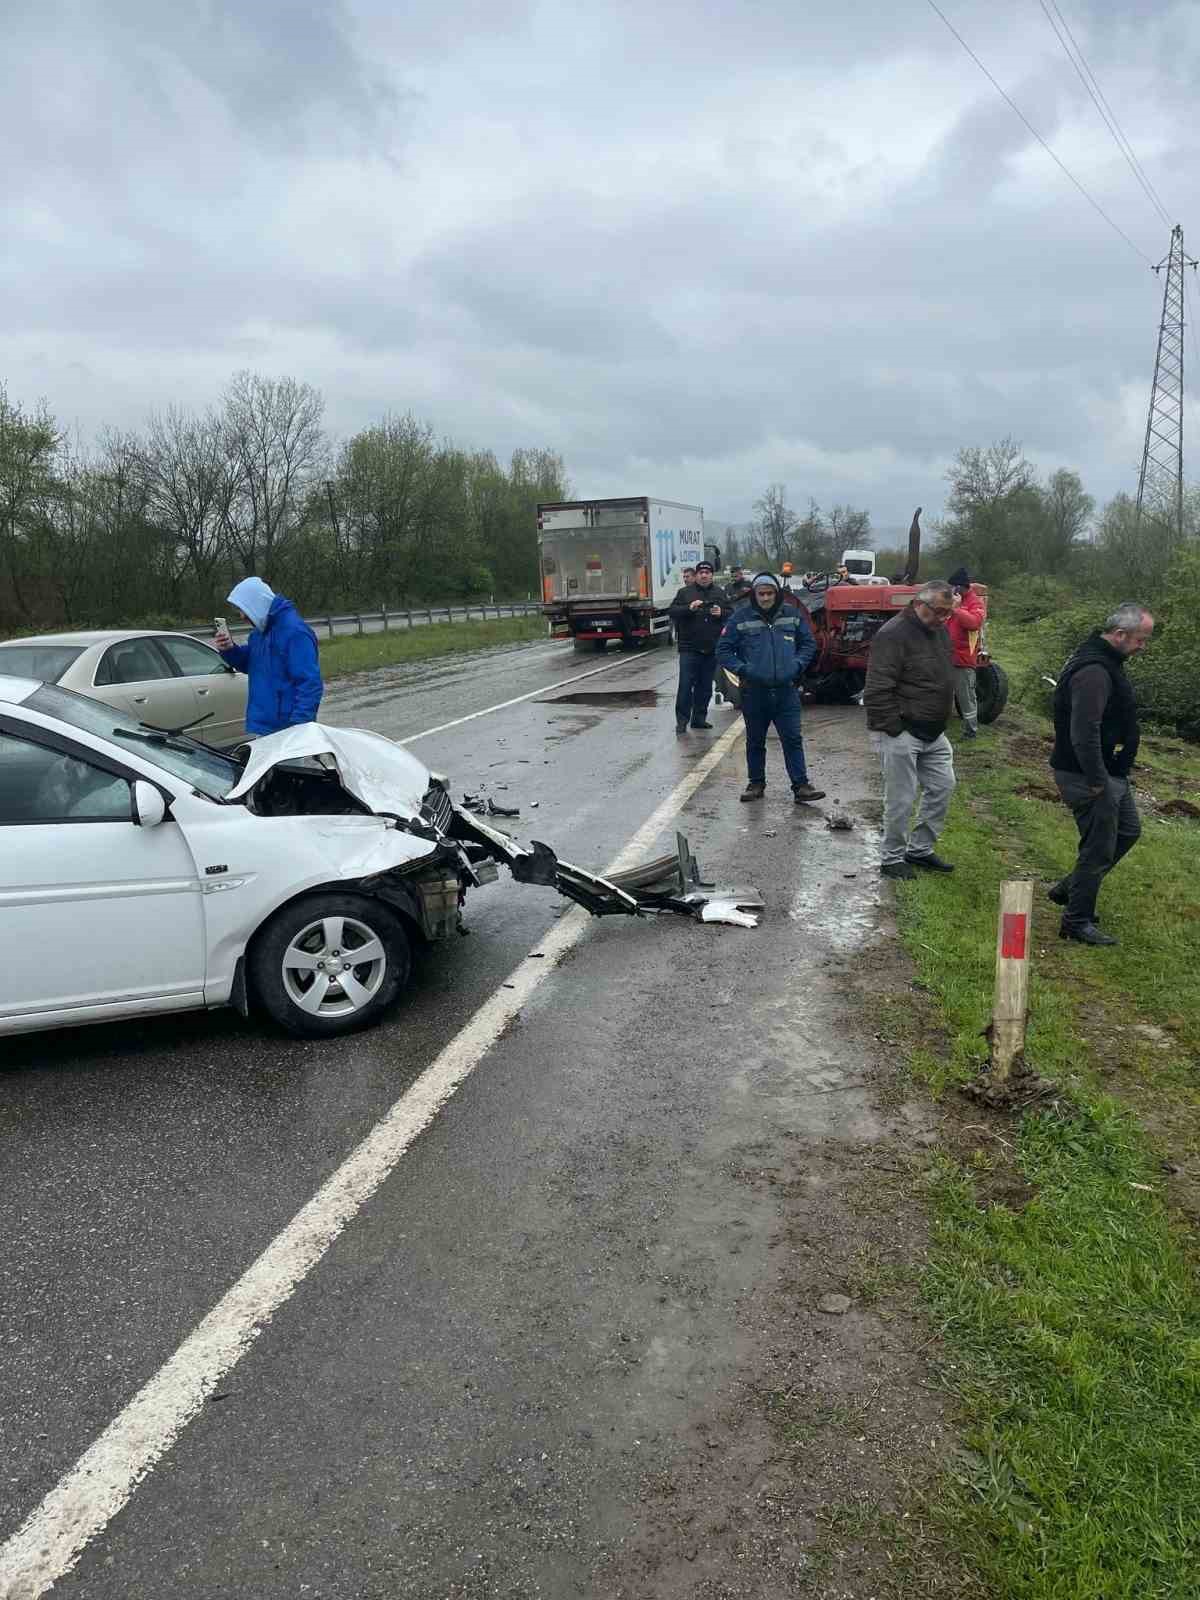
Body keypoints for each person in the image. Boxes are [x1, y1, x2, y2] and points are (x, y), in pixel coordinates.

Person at [1048, 602, 1153, 946]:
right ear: (1120, 635)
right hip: (1088, 774)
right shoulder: (1093, 671)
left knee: (1128, 830)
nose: (1143, 646)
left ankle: (1070, 889)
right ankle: (1076, 921)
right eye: (1140, 639)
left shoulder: (1108, 661)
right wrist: (1097, 779)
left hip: (1108, 771)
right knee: (1098, 848)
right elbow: (1084, 730)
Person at [864, 580, 957, 879]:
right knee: (901, 798)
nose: (944, 619)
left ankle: (919, 850)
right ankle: (891, 858)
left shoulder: (938, 630)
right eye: (940, 612)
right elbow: (877, 688)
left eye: (948, 613)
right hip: (902, 732)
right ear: (920, 604)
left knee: (943, 786)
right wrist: (894, 728)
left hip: (933, 731)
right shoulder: (892, 635)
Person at [716, 572, 826, 804]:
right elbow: (723, 650)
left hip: (786, 691)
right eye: (761, 594)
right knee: (755, 740)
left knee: (793, 738)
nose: (765, 598)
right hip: (755, 692)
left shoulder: (792, 615)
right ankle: (756, 783)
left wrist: (797, 665)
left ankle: (801, 786)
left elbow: (808, 644)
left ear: (776, 594)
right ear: (754, 595)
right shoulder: (740, 617)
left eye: (769, 593)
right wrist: (743, 669)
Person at [215, 576, 323, 736]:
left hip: (288, 730)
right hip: (263, 727)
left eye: (243, 609)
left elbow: (309, 684)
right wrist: (230, 650)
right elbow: (251, 665)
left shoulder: (295, 632)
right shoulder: (259, 633)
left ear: (256, 603)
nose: (242, 616)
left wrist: (299, 729)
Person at [667, 561, 730, 733]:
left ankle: (699, 719)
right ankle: (682, 721)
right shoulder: (685, 593)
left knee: (704, 686)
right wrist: (689, 608)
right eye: (701, 572)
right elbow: (672, 611)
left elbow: (731, 613)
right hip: (689, 648)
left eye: (707, 572)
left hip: (711, 647)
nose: (704, 575)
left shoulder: (719, 593)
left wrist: (721, 613)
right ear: (696, 575)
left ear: (712, 575)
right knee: (686, 685)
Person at [945, 566, 987, 739]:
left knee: (966, 697)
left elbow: (974, 623)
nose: (952, 591)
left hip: (963, 659)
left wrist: (956, 609)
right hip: (947, 656)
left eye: (954, 587)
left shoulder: (974, 603)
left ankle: (971, 731)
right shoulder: (957, 600)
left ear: (961, 587)